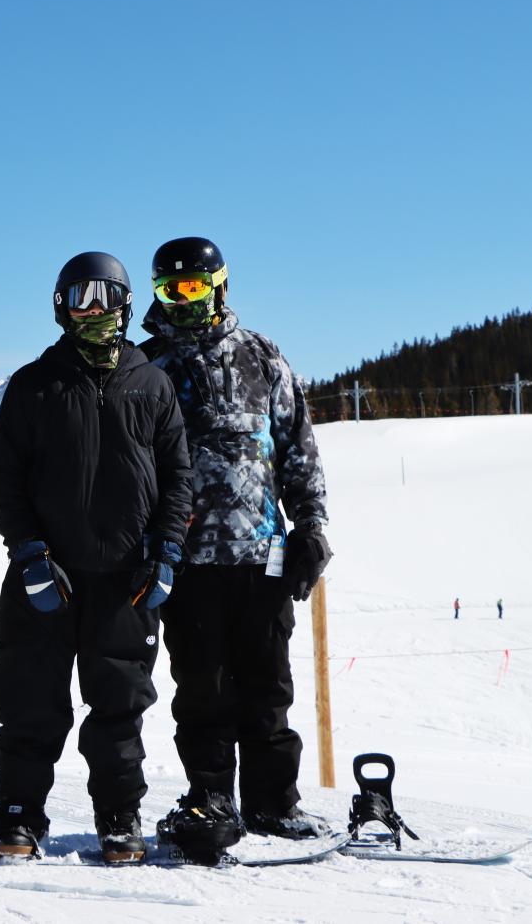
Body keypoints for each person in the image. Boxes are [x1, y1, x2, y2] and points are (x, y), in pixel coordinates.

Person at [0, 253, 192, 863]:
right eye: (80, 298)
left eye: (105, 296)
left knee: (120, 708)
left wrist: (166, 550)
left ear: (126, 304)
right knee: (29, 703)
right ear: (60, 306)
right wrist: (28, 554)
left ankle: (120, 818)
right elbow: (7, 483)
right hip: (48, 576)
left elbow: (177, 476)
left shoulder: (152, 382)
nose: (93, 310)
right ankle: (19, 815)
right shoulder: (33, 383)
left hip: (126, 579)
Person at [139, 237, 333, 856]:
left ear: (220, 286)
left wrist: (311, 526)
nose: (183, 301)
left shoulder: (263, 358)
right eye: (171, 290)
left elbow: (297, 448)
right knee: (202, 688)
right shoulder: (148, 369)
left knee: (268, 685)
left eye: (195, 288)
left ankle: (275, 802)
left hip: (262, 557)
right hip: (187, 561)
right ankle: (210, 796)